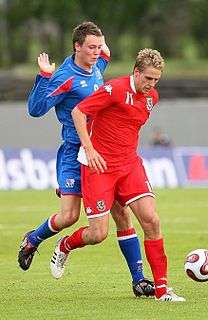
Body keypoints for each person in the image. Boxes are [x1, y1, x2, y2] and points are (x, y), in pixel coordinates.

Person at [17, 21, 154, 297]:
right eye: (90, 47)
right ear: (76, 47)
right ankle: (33, 239)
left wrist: (103, 45)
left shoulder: (97, 65)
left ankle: (139, 280)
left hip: (102, 153)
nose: (96, 51)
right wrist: (44, 76)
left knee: (121, 213)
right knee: (68, 216)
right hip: (74, 152)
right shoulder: (66, 76)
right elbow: (35, 109)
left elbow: (105, 55)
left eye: (98, 46)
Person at [51, 48, 186, 302]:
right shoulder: (114, 89)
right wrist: (89, 150)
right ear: (136, 72)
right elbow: (78, 112)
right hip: (99, 167)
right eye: (148, 78)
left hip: (129, 165)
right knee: (98, 233)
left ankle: (162, 290)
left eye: (156, 79)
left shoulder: (151, 98)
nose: (151, 84)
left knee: (152, 220)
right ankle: (65, 245)